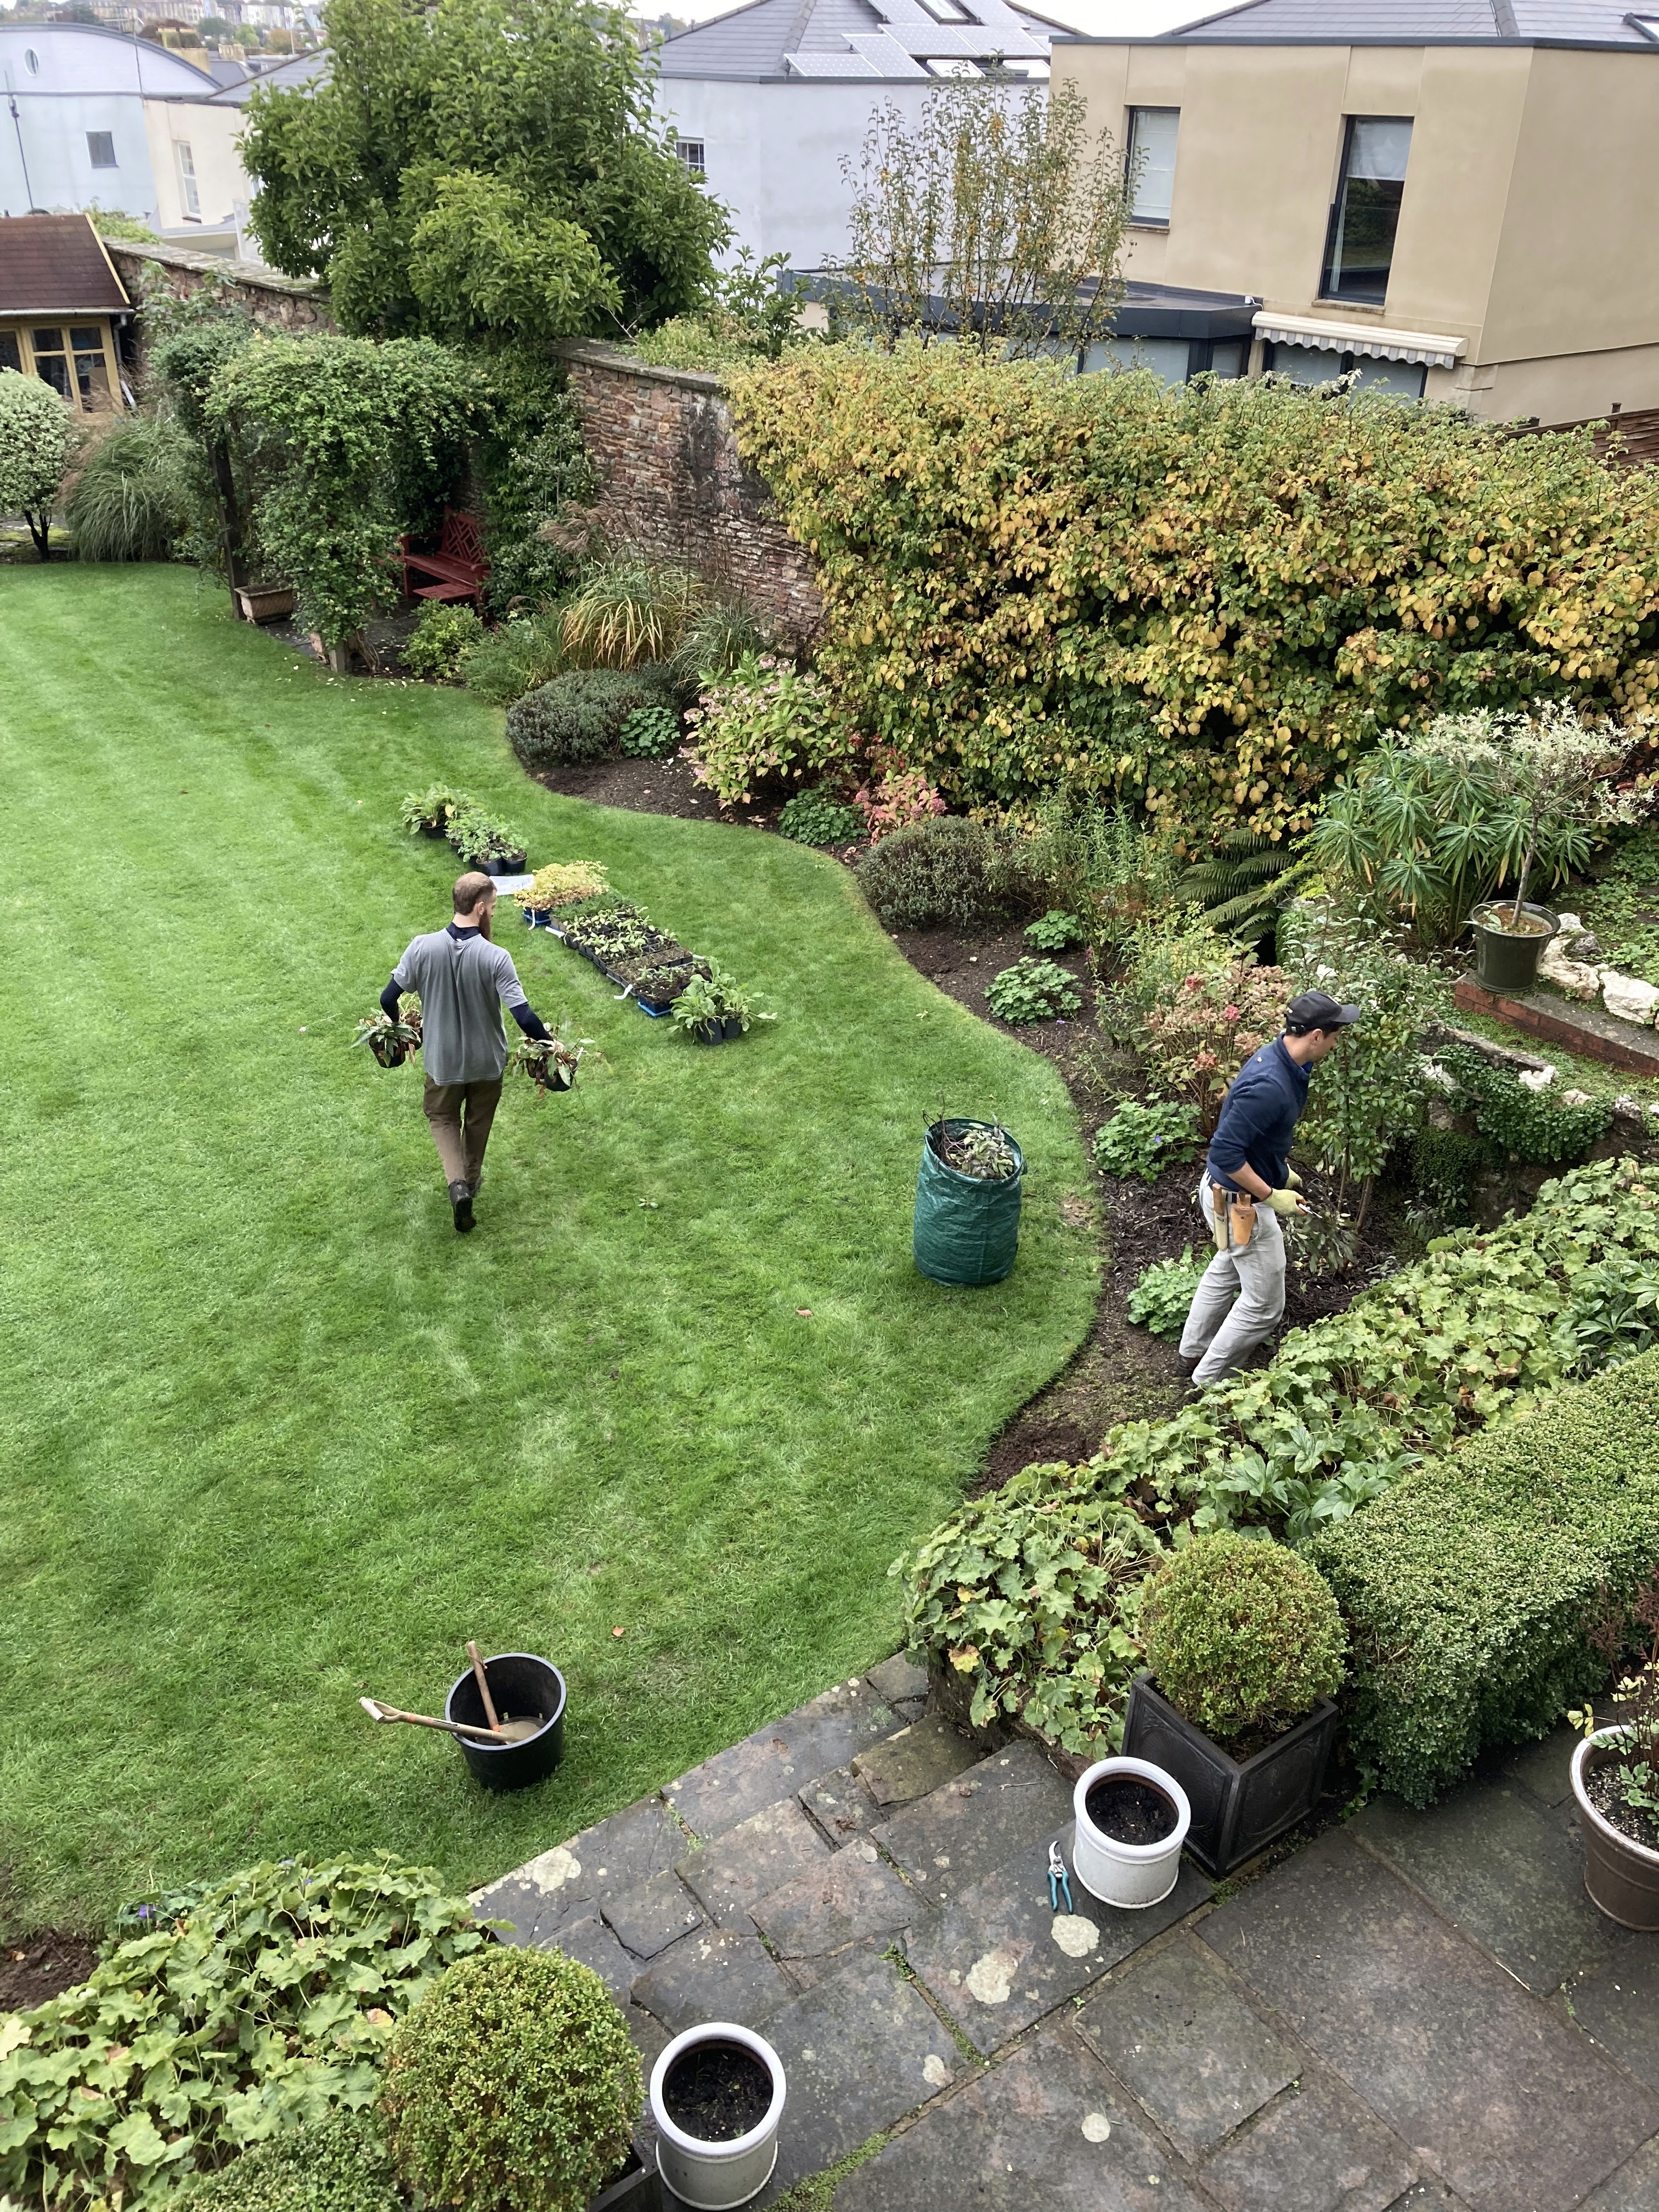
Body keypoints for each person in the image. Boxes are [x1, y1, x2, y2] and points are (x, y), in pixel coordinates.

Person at [1177, 989, 1361, 1386]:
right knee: (1264, 1306)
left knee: (1227, 1265)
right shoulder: (1270, 1084)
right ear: (1315, 1035)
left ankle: (1192, 1351)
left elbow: (1255, 1138)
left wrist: (1281, 1171)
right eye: (1335, 1035)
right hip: (1239, 1203)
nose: (1336, 1041)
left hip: (1221, 1195)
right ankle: (1209, 1381)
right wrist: (1271, 1194)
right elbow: (1226, 1153)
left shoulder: (1284, 1059)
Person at [380, 871, 555, 1233]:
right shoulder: (497, 957)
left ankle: (457, 1185)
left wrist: (397, 1026)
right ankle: (471, 1184)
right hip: (486, 1061)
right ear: (479, 908)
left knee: (442, 1117)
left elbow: (388, 997)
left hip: (442, 1062)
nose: (493, 912)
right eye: (492, 907)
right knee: (478, 1121)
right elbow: (522, 1014)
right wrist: (551, 1045)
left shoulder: (421, 947)